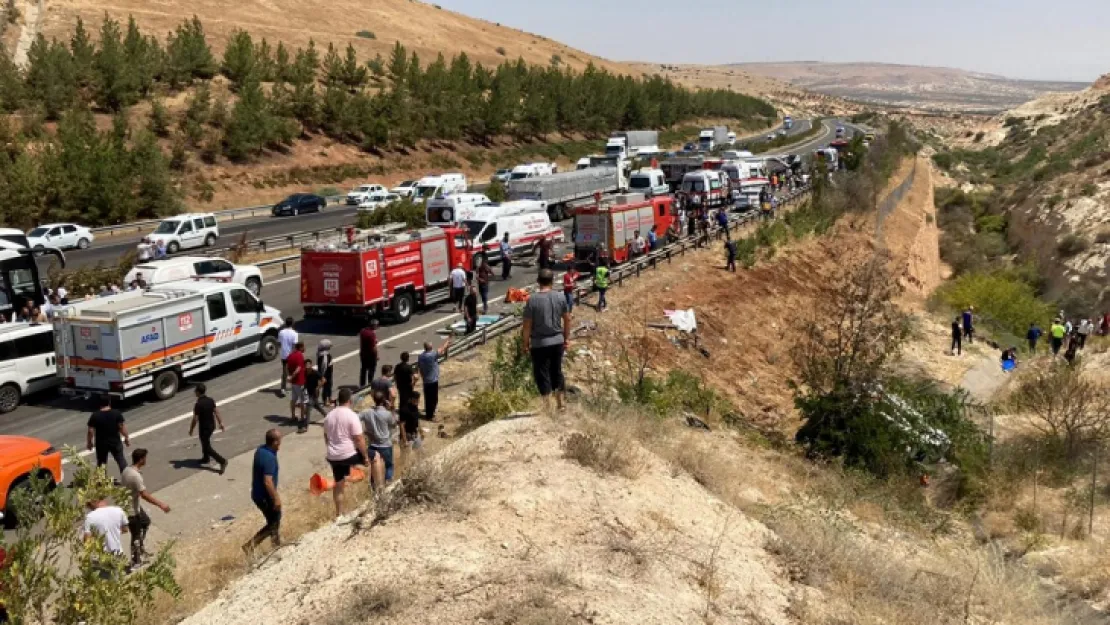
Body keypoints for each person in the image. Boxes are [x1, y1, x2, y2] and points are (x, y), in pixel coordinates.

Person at [522, 269, 571, 411]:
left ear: (538, 282)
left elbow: (527, 325)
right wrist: (566, 338)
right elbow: (567, 319)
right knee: (556, 371)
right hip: (557, 341)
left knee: (541, 373)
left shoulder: (532, 300)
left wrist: (525, 343)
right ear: (552, 281)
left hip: (539, 344)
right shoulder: (560, 297)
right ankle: (561, 404)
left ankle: (547, 406)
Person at [323, 388, 370, 518]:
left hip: (333, 455)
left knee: (338, 483)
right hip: (348, 454)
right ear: (350, 400)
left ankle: (339, 513)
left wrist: (331, 448)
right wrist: (365, 457)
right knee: (376, 457)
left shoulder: (329, 416)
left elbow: (326, 436)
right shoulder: (351, 415)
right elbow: (359, 439)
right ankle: (378, 491)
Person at [120, 449, 170, 568]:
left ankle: (140, 550)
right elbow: (144, 494)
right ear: (142, 459)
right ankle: (136, 560)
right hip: (131, 510)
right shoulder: (135, 476)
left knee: (145, 522)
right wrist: (161, 504)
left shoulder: (127, 469)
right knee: (136, 535)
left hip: (132, 505)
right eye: (145, 458)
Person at [244, 429, 282, 554]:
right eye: (279, 440)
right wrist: (276, 498)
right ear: (275, 442)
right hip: (265, 496)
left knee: (273, 520)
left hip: (257, 494)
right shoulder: (270, 458)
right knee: (274, 521)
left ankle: (276, 544)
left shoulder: (260, 450)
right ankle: (251, 545)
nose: (281, 443)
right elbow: (268, 481)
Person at [360, 391, 399, 488]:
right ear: (384, 401)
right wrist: (392, 409)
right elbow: (394, 423)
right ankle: (388, 485)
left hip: (373, 445)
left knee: (374, 467)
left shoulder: (367, 412)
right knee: (389, 466)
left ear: (374, 400)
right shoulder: (387, 414)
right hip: (385, 445)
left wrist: (364, 431)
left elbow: (355, 419)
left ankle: (374, 487)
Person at [189, 384, 228, 474]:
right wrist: (220, 423)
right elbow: (216, 412)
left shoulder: (198, 404)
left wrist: (191, 429)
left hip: (204, 427)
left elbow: (195, 419)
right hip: (211, 426)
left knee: (207, 447)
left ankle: (222, 461)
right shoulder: (210, 400)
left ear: (198, 392)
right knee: (205, 441)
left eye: (195, 391)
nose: (195, 392)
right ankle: (206, 458)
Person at [87, 395, 129, 474]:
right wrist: (126, 437)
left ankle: (102, 482)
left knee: (101, 463)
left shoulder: (95, 415)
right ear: (109, 403)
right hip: (115, 442)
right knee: (120, 460)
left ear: (99, 404)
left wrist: (89, 442)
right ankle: (127, 477)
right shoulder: (116, 413)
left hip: (101, 444)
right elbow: (121, 427)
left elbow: (90, 431)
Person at [83, 497, 129, 567]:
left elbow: (87, 541)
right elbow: (125, 529)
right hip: (118, 553)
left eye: (88, 506)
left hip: (101, 556)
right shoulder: (118, 511)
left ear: (92, 503)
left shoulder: (90, 517)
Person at [418, 338, 450, 422]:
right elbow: (441, 349)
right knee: (433, 398)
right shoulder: (432, 355)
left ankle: (429, 412)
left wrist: (423, 376)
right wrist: (448, 340)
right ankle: (430, 416)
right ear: (430, 347)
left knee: (428, 398)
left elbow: (420, 368)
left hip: (425, 380)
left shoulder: (421, 356)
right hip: (432, 380)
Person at [286, 341, 308, 433]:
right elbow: (298, 368)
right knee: (303, 400)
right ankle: (302, 417)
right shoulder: (299, 355)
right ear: (301, 347)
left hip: (293, 383)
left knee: (293, 399)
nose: (305, 349)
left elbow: (287, 367)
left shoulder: (290, 355)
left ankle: (293, 416)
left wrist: (289, 377)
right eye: (304, 347)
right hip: (300, 381)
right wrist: (293, 376)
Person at [276, 317, 297, 398]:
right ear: (292, 323)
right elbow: (294, 345)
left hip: (284, 355)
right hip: (291, 355)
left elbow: (279, 343)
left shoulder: (281, 332)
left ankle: (283, 388)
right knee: (294, 371)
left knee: (285, 371)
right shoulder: (294, 333)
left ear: (285, 323)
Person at [399, 391, 423, 461]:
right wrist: (404, 440)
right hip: (407, 436)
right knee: (405, 458)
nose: (417, 401)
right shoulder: (404, 409)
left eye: (418, 399)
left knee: (419, 454)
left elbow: (417, 420)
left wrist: (421, 431)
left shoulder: (415, 407)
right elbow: (402, 425)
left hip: (415, 435)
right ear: (411, 399)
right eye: (415, 400)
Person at [359, 319, 379, 388]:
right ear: (373, 325)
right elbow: (374, 348)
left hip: (363, 354)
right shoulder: (372, 334)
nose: (377, 327)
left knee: (363, 369)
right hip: (370, 355)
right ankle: (370, 384)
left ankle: (362, 385)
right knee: (371, 370)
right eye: (376, 325)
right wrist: (377, 356)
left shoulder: (362, 331)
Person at [317, 339, 334, 407]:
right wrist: (322, 376)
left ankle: (329, 398)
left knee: (329, 386)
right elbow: (324, 366)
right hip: (326, 374)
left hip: (328, 373)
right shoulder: (324, 355)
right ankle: (325, 401)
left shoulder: (323, 353)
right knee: (326, 387)